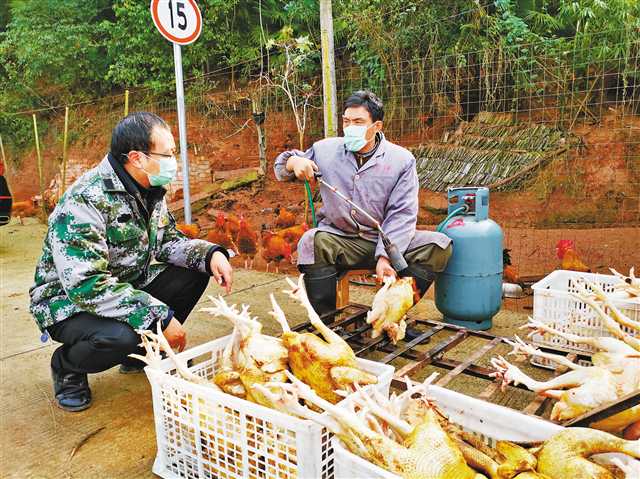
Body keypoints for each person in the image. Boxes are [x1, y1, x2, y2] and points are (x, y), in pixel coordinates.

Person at [29, 112, 233, 412]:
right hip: (67, 303)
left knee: (193, 272)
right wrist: (157, 317)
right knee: (120, 335)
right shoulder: (85, 200)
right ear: (137, 158)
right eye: (168, 154)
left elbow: (166, 241)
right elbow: (85, 285)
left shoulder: (148, 189)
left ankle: (136, 354)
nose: (173, 161)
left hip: (124, 286)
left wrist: (210, 254)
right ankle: (68, 367)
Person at [274, 90, 452, 326]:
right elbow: (281, 167)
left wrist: (386, 256)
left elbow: (402, 214)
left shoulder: (401, 160)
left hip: (388, 239)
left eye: (358, 122)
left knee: (438, 246)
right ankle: (327, 324)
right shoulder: (325, 149)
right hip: (341, 240)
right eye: (346, 121)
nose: (350, 128)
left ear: (376, 126)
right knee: (311, 241)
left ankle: (391, 316)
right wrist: (294, 162)